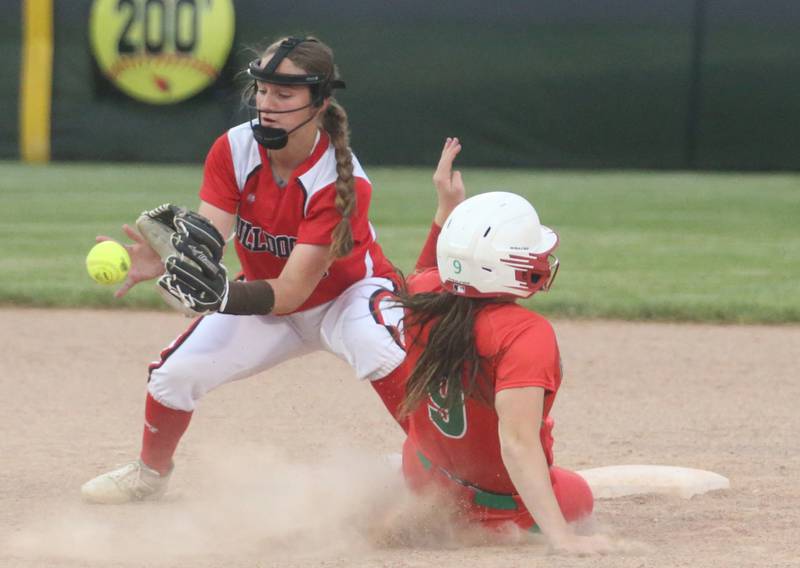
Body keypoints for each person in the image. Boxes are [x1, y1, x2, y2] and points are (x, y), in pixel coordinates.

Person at [81, 36, 407, 504]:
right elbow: (211, 233)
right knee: (174, 375)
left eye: (284, 94)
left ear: (319, 102)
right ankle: (150, 473)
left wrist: (221, 299)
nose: (266, 104)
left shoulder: (341, 181)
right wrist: (175, 255)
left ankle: (443, 465)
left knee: (383, 352)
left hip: (347, 297)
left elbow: (294, 291)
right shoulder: (234, 148)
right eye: (262, 90)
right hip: (267, 299)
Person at [373, 138, 613, 555]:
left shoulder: (420, 294)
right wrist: (563, 538)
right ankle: (479, 529)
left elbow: (432, 269)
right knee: (578, 495)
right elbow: (517, 446)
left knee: (434, 446)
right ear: (509, 267)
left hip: (425, 469)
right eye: (532, 254)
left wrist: (445, 209)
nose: (539, 261)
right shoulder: (525, 333)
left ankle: (433, 505)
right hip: (493, 499)